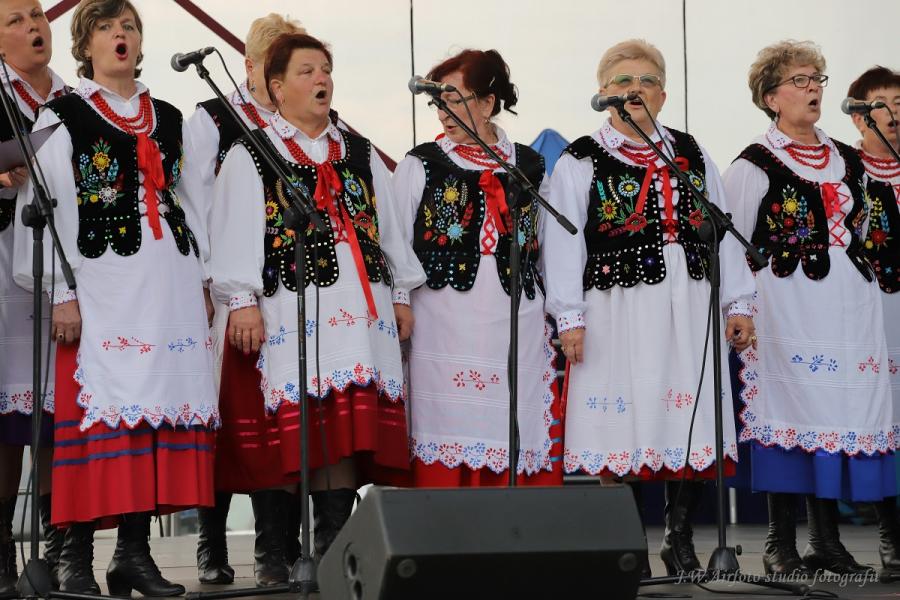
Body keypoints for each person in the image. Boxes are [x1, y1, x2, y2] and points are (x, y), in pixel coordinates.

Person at [12, 0, 217, 594]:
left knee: (156, 415)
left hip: (169, 282)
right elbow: (48, 203)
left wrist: (203, 278)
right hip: (103, 284)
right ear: (86, 45)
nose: (119, 35)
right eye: (105, 28)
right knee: (97, 414)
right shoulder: (64, 115)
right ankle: (73, 559)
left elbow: (193, 201)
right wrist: (60, 291)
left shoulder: (170, 117)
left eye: (128, 26)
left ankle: (133, 552)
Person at [208, 32, 424, 564]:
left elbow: (388, 230)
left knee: (341, 426)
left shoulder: (359, 152)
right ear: (277, 88)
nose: (321, 79)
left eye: (325, 69)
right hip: (287, 308)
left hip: (357, 313)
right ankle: (273, 552)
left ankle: (332, 547)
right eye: (306, 71)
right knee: (288, 428)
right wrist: (243, 301)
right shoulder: (253, 152)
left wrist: (399, 294)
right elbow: (234, 229)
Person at [543, 39, 756, 576]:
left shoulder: (691, 153)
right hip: (616, 307)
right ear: (602, 93)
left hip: (689, 304)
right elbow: (563, 242)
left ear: (662, 95)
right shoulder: (581, 158)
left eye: (646, 81)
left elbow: (723, 230)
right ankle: (630, 543)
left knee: (687, 415)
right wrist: (569, 317)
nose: (634, 89)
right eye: (622, 81)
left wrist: (737, 301)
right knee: (621, 420)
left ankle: (678, 538)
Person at [725, 40, 892, 577]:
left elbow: (861, 229)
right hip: (786, 308)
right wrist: (739, 307)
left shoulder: (847, 158)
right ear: (771, 97)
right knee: (788, 416)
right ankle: (780, 543)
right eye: (799, 80)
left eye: (817, 78)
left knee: (833, 418)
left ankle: (826, 541)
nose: (813, 88)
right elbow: (733, 243)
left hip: (847, 308)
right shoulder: (754, 164)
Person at [392, 48, 563, 488]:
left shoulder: (530, 167)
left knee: (511, 417)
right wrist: (398, 300)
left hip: (516, 318)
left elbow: (552, 249)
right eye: (439, 102)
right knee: (446, 420)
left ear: (487, 103)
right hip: (441, 319)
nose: (443, 112)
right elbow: (395, 241)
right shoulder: (421, 163)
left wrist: (565, 315)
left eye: (454, 99)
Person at [181, 12, 306, 587]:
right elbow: (195, 202)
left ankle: (277, 545)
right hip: (228, 289)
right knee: (227, 416)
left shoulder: (298, 126)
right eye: (273, 64)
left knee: (276, 418)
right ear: (251, 66)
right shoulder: (212, 119)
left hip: (286, 292)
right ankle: (210, 542)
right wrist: (210, 283)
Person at [0, 0, 66, 591]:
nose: (33, 27)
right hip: (2, 266)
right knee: (7, 415)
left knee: (54, 411)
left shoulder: (74, 100)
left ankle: (56, 549)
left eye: (37, 15)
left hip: (62, 269)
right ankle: (1, 552)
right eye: (15, 21)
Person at [846, 65, 900, 575]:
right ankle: (891, 535)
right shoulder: (845, 170)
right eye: (883, 103)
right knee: (883, 419)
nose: (894, 113)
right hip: (873, 307)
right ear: (859, 115)